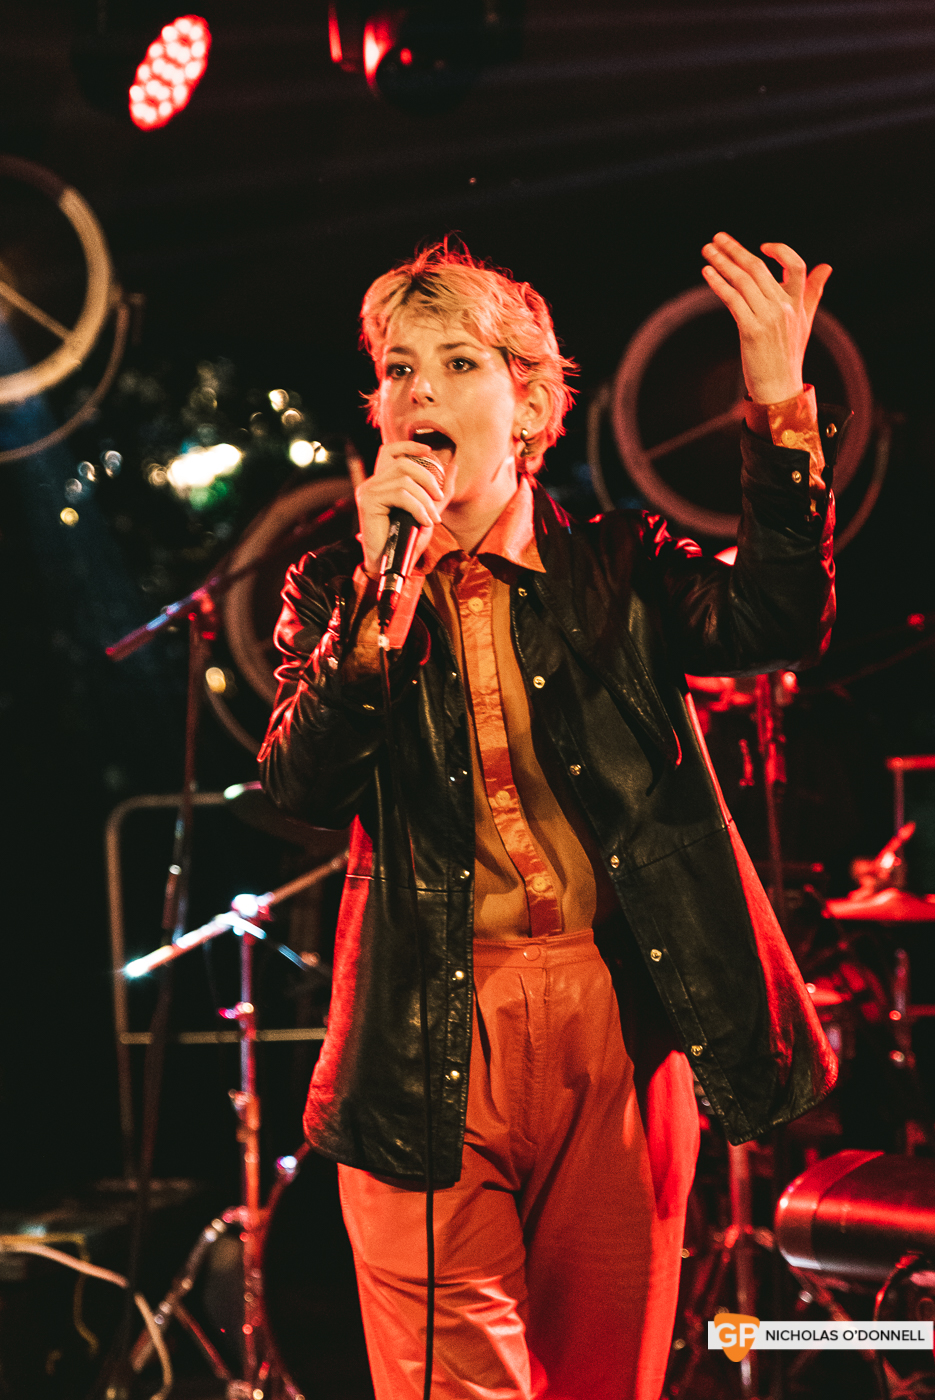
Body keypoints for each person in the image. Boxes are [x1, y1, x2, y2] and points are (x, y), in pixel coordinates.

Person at [259, 231, 841, 1400]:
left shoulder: (619, 562)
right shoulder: (337, 585)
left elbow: (775, 619)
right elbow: (301, 785)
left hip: (610, 1017)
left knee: (599, 1378)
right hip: (424, 1021)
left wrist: (778, 406)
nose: (418, 391)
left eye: (455, 362)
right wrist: (377, 607)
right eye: (397, 368)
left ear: (527, 406)